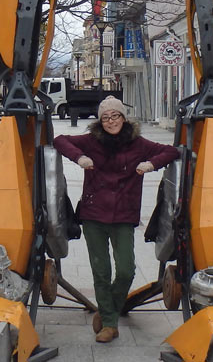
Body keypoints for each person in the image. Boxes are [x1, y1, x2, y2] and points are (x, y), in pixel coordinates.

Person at [54, 95, 179, 343]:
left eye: (116, 115)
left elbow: (172, 151)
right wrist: (79, 158)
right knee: (101, 271)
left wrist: (151, 164)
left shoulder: (139, 143)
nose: (111, 121)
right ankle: (110, 325)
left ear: (124, 117)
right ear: (100, 121)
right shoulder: (92, 141)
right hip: (93, 214)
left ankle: (106, 308)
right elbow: (60, 140)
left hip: (124, 214)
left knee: (125, 269)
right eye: (106, 117)